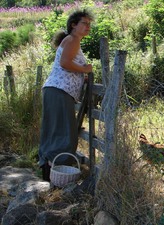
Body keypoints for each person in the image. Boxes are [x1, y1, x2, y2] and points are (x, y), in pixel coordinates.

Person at [38, 9, 93, 181]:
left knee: (55, 131)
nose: (88, 27)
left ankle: (49, 174)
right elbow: (65, 63)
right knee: (64, 134)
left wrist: (80, 75)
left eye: (89, 24)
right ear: (73, 25)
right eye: (84, 23)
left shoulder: (71, 40)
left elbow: (67, 64)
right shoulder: (73, 39)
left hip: (57, 91)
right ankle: (56, 177)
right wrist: (85, 69)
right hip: (59, 91)